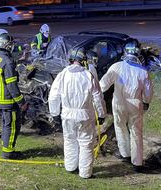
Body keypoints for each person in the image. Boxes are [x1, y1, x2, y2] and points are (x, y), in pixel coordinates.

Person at [48, 47, 107, 179]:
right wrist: (102, 114)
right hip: (85, 116)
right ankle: (85, 173)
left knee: (69, 140)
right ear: (83, 60)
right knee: (86, 144)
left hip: (67, 115)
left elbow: (53, 96)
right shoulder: (88, 75)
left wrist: (55, 113)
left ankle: (70, 167)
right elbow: (98, 97)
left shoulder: (62, 74)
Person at [99, 42, 153, 172]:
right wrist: (146, 101)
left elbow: (103, 84)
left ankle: (125, 154)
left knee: (120, 127)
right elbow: (148, 92)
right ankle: (137, 162)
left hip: (119, 102)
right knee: (136, 131)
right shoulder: (143, 71)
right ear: (137, 54)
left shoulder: (116, 67)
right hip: (135, 103)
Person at [0, 33, 27, 159]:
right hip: (7, 101)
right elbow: (12, 86)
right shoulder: (8, 62)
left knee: (5, 124)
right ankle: (8, 152)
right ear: (7, 45)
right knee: (12, 126)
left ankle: (6, 147)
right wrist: (21, 102)